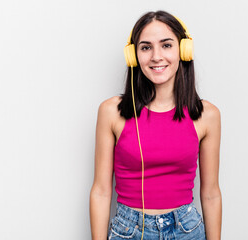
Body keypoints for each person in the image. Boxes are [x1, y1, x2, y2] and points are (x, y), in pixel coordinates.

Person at [90, 10, 222, 240]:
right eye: (146, 47)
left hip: (186, 230)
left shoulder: (207, 115)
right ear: (133, 56)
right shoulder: (111, 112)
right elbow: (101, 192)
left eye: (166, 45)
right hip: (129, 230)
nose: (156, 56)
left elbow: (211, 193)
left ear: (183, 51)